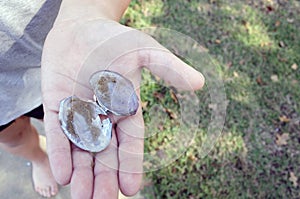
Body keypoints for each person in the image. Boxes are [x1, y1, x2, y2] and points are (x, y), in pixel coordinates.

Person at [0, 0, 205, 198]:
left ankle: (43, 156)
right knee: (14, 137)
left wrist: (91, 10)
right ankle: (38, 159)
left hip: (63, 66)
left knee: (52, 120)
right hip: (4, 99)